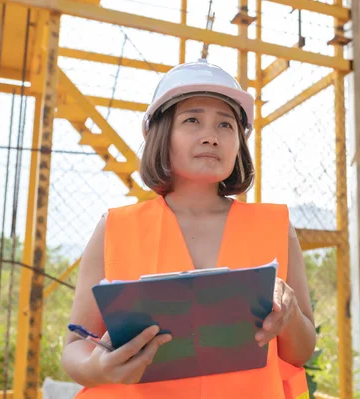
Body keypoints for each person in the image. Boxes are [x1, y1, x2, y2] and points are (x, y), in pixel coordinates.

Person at [61, 59, 316, 399]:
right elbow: (76, 345)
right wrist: (99, 367)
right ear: (161, 135)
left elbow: (301, 351)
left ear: (239, 143)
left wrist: (291, 315)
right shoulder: (115, 228)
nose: (211, 137)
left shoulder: (276, 227)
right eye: (192, 120)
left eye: (225, 125)